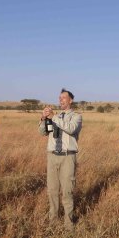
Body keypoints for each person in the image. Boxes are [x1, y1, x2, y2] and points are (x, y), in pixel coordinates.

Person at [39, 88, 82, 230]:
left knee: (67, 191)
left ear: (71, 100)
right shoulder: (54, 117)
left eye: (64, 97)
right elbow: (43, 132)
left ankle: (68, 224)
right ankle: (53, 221)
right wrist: (44, 119)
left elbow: (70, 129)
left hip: (67, 156)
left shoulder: (76, 116)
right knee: (52, 190)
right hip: (52, 156)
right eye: (59, 98)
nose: (61, 100)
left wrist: (53, 117)